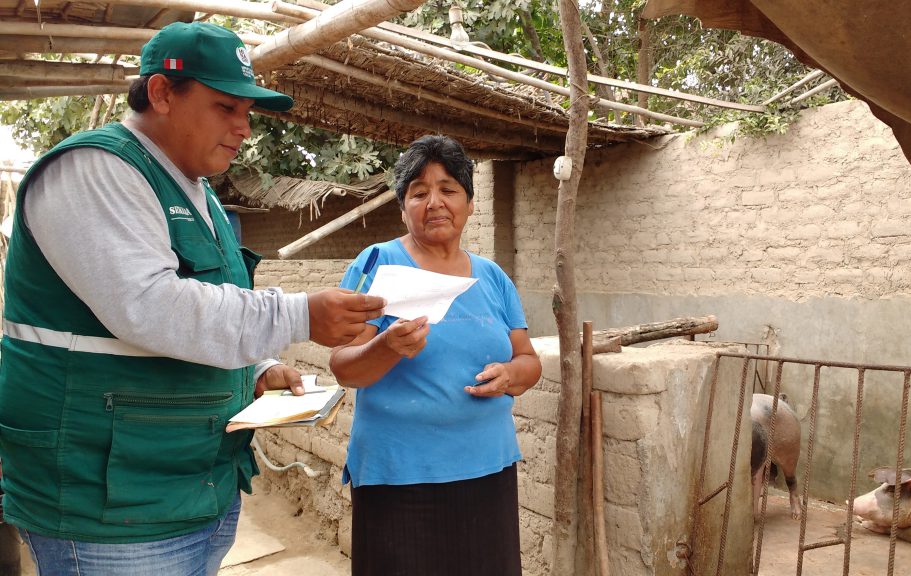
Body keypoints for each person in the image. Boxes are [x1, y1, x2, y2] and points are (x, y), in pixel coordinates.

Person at [0, 21, 385, 575]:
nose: (243, 127)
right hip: (109, 504)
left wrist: (257, 366)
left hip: (190, 484)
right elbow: (150, 306)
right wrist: (299, 313)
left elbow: (212, 301)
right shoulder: (95, 170)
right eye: (225, 106)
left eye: (246, 112)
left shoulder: (195, 191)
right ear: (161, 93)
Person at [330, 135, 542, 576]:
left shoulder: (493, 277)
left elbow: (528, 361)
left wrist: (510, 374)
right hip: (401, 476)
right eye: (419, 192)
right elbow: (343, 367)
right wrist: (386, 347)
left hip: (487, 469)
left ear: (468, 201)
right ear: (402, 206)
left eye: (448, 189)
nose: (435, 202)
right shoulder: (378, 264)